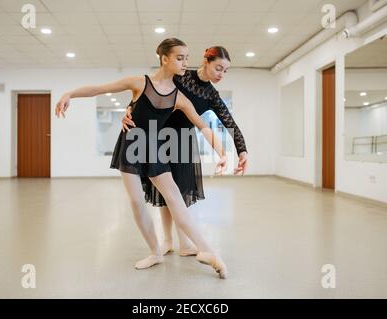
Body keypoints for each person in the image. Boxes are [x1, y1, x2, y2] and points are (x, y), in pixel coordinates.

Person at [55, 38, 228, 279]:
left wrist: (222, 152)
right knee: (136, 201)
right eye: (180, 58)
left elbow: (203, 126)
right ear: (164, 58)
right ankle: (155, 252)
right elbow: (99, 89)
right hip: (132, 144)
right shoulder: (139, 83)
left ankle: (207, 251)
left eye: (187, 58)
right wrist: (70, 93)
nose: (185, 63)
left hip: (155, 147)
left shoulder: (179, 97)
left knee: (174, 196)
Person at [122, 46, 248, 257]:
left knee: (177, 191)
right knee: (163, 191)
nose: (221, 75)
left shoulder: (211, 95)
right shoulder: (181, 75)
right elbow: (150, 89)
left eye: (225, 71)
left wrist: (242, 151)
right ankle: (168, 240)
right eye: (218, 68)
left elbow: (229, 122)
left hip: (182, 143)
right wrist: (128, 110)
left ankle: (184, 243)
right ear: (206, 61)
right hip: (158, 136)